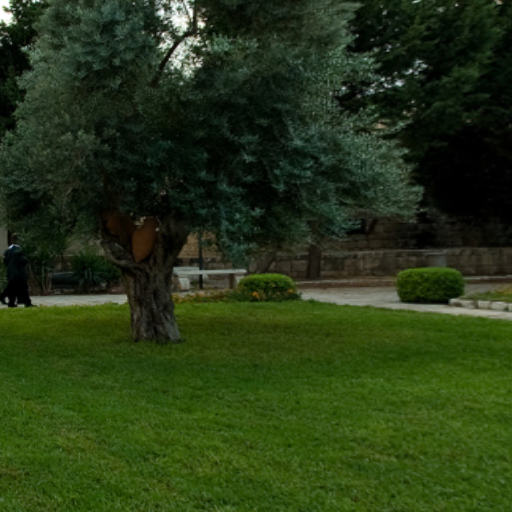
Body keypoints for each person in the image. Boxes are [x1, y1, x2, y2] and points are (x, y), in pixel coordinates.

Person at [0, 236, 33, 308]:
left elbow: (5, 262)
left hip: (11, 273)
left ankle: (11, 303)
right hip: (19, 273)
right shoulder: (19, 250)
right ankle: (27, 303)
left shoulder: (7, 251)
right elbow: (23, 261)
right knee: (24, 288)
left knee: (12, 289)